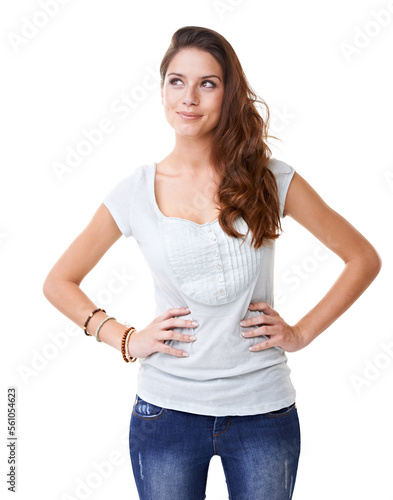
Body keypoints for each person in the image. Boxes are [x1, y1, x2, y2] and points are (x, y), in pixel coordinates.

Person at [43, 26, 382, 500]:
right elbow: (59, 281)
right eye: (176, 81)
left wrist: (301, 333)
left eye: (208, 83)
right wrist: (125, 338)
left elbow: (362, 258)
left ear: (229, 93)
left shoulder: (269, 178)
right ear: (162, 90)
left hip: (264, 412)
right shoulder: (136, 191)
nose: (189, 97)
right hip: (166, 414)